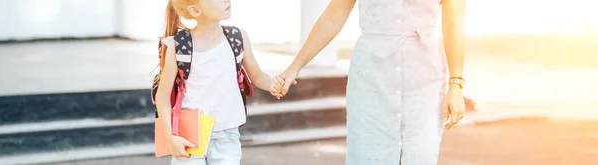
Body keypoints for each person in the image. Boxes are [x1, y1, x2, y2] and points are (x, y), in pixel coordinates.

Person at [271, 0, 466, 164]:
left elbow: (454, 23)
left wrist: (455, 84)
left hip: (425, 78)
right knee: (368, 153)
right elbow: (333, 16)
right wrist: (294, 68)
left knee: (420, 154)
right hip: (371, 76)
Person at [154, 0, 283, 164]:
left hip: (227, 137)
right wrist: (170, 136)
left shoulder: (237, 38)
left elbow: (257, 76)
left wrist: (274, 84)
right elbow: (163, 96)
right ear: (195, 10)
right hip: (190, 135)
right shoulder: (178, 46)